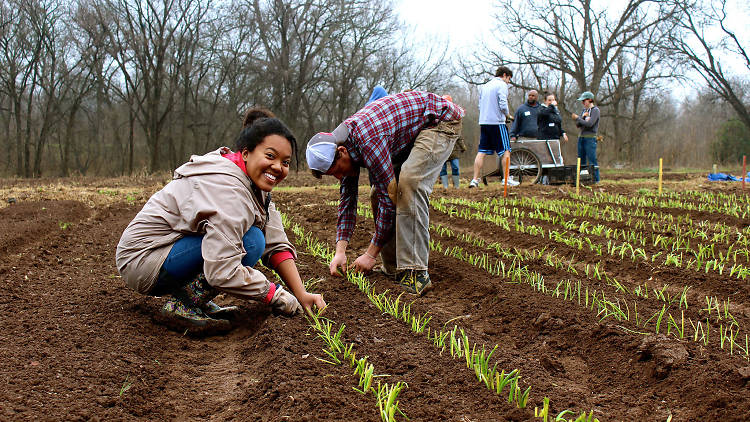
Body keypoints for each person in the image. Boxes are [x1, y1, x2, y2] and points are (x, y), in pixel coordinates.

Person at [116, 114, 326, 333]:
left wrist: (301, 294)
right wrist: (274, 293)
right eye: (270, 156)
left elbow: (276, 244)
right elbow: (221, 270)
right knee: (251, 241)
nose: (277, 167)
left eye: (285, 162)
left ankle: (195, 300)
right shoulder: (229, 191)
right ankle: (183, 305)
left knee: (256, 238)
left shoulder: (254, 186)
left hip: (165, 251)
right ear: (246, 152)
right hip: (143, 259)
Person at [306, 91, 464, 296]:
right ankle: (393, 267)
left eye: (336, 172)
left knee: (409, 183)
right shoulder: (341, 148)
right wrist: (340, 251)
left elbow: (389, 201)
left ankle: (416, 273)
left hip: (439, 122)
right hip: (408, 134)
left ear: (342, 151)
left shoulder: (367, 141)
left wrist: (370, 254)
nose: (338, 178)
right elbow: (347, 202)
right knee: (376, 193)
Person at [469, 66, 518, 188]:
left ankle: (474, 180)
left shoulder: (485, 86)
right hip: (497, 122)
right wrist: (507, 115)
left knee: (482, 152)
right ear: (505, 75)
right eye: (509, 79)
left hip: (484, 122)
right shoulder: (501, 85)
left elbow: (480, 105)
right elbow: (503, 103)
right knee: (506, 150)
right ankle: (506, 179)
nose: (508, 82)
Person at [571, 91, 601, 183]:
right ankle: (582, 179)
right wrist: (581, 118)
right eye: (582, 101)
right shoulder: (584, 111)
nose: (583, 103)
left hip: (590, 138)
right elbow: (578, 125)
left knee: (592, 159)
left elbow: (590, 124)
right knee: (581, 159)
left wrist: (578, 118)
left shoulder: (595, 110)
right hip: (581, 137)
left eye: (584, 101)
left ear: (590, 100)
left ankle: (596, 179)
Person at [438, 94, 466, 188]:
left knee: (455, 167)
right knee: (442, 169)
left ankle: (456, 187)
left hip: (454, 148)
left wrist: (462, 146)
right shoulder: (438, 116)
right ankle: (445, 187)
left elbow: (459, 134)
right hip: (442, 147)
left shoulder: (455, 117)